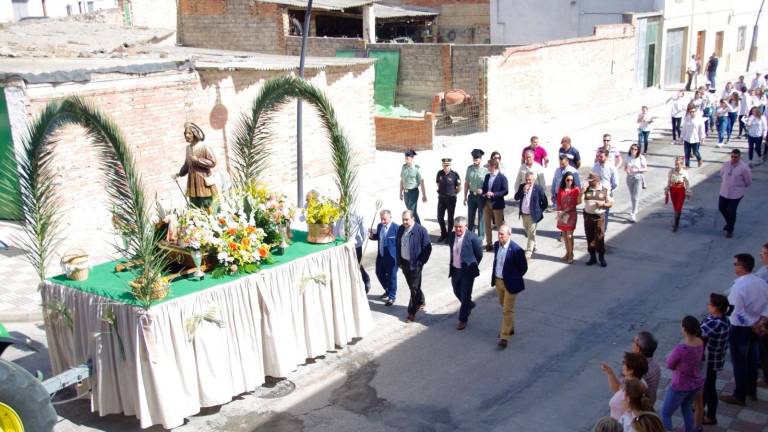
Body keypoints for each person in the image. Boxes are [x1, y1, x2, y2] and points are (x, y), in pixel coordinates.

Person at [720, 253, 768, 406]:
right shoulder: (760, 282)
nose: (734, 266)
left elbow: (737, 312)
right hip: (755, 325)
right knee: (752, 359)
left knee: (740, 361)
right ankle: (751, 390)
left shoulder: (739, 287)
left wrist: (752, 324)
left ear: (741, 267)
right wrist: (761, 320)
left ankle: (739, 395)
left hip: (741, 329)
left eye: (735, 264)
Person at [661, 316, 705, 432]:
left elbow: (669, 364)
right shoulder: (700, 342)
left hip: (680, 385)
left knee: (665, 413)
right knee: (687, 409)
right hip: (695, 384)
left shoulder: (681, 348)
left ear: (684, 329)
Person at [491, 224, 527, 349]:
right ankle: (510, 327)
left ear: (509, 235)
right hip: (498, 281)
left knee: (507, 309)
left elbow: (523, 268)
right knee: (503, 306)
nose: (500, 236)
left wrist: (513, 277)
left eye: (502, 234)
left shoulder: (516, 250)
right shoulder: (496, 245)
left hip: (510, 284)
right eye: (499, 233)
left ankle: (504, 336)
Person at [699, 293, 731, 426]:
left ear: (716, 308)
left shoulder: (715, 323)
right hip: (715, 359)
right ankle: (701, 407)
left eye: (710, 304)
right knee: (706, 385)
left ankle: (711, 416)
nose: (708, 306)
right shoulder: (723, 319)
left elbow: (697, 333)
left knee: (709, 388)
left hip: (711, 360)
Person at [396, 210, 432, 322]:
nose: (405, 222)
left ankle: (411, 312)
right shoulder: (401, 229)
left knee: (414, 289)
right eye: (403, 219)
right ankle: (421, 301)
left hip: (415, 264)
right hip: (404, 263)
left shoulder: (421, 230)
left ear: (413, 218)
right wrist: (399, 262)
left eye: (407, 219)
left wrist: (421, 262)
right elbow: (398, 244)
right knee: (413, 286)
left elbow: (428, 248)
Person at [448, 216, 483, 330]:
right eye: (456, 227)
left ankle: (463, 319)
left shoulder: (473, 238)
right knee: (456, 290)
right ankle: (469, 304)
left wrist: (472, 264)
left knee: (465, 294)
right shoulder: (452, 236)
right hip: (456, 269)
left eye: (460, 227)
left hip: (467, 271)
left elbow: (479, 254)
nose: (458, 229)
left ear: (466, 226)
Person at [174, 122, 218, 210]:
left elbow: (213, 162)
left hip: (203, 180)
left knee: (207, 204)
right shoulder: (188, 148)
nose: (186, 135)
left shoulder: (204, 146)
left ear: (195, 134)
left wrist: (198, 160)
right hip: (192, 182)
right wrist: (179, 173)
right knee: (194, 206)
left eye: (189, 133)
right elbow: (187, 164)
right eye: (185, 133)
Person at [600, 352, 648, 420]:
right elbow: (617, 389)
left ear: (631, 370)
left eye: (624, 363)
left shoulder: (630, 392)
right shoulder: (638, 383)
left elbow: (630, 415)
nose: (622, 364)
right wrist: (610, 373)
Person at [333, 210, 370, 293]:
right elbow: (337, 226)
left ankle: (365, 280)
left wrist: (363, 238)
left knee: (356, 264)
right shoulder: (341, 210)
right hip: (342, 243)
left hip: (355, 244)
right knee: (345, 264)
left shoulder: (357, 212)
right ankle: (351, 285)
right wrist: (335, 239)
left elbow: (363, 228)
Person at [513, 172, 548, 259]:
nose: (528, 181)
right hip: (524, 214)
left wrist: (539, 211)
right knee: (528, 232)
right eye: (527, 179)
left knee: (531, 233)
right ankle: (534, 244)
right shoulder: (522, 186)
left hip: (533, 215)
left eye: (530, 180)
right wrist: (523, 191)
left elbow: (545, 202)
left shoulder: (538, 188)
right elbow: (516, 197)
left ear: (534, 180)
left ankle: (529, 251)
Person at [368, 209, 399, 306]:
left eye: (384, 219)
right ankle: (388, 290)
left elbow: (401, 244)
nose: (382, 221)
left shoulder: (397, 228)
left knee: (392, 277)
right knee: (379, 272)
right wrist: (372, 236)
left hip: (392, 258)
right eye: (381, 219)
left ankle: (392, 297)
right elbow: (378, 237)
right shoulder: (379, 226)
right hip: (381, 256)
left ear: (390, 217)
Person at [718, 149, 752, 238]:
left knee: (731, 210)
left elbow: (748, 181)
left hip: (736, 194)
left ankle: (730, 230)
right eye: (732, 156)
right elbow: (721, 174)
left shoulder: (744, 168)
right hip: (724, 191)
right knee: (722, 208)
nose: (733, 158)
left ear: (739, 157)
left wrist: (739, 186)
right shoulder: (726, 165)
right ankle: (729, 223)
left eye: (735, 157)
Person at [583, 172, 612, 267]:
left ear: (597, 180)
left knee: (599, 237)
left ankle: (601, 257)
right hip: (588, 216)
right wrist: (581, 192)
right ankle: (592, 257)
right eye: (589, 181)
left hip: (599, 217)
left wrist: (603, 204)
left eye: (591, 181)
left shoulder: (604, 190)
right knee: (589, 237)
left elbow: (610, 204)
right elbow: (578, 201)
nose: (589, 183)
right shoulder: (587, 189)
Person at [482, 158, 509, 252]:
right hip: (487, 203)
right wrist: (483, 191)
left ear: (494, 166)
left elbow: (505, 191)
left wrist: (494, 194)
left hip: (497, 203)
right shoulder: (487, 176)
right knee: (487, 224)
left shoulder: (502, 177)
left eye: (489, 166)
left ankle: (502, 243)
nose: (487, 168)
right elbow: (484, 188)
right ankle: (489, 244)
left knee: (499, 225)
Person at [632, 331, 662, 406]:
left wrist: (610, 374)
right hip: (651, 401)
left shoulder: (638, 370)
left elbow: (623, 391)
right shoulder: (655, 365)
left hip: (640, 407)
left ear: (638, 348)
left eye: (633, 341)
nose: (632, 344)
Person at [557, 172, 581, 264]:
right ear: (564, 180)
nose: (570, 182)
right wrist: (559, 210)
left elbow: (576, 202)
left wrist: (565, 210)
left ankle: (571, 254)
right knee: (564, 235)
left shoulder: (575, 189)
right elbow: (559, 201)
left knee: (569, 236)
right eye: (568, 180)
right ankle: (567, 253)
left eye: (571, 180)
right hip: (563, 215)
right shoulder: (561, 189)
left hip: (571, 214)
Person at [436, 158, 461, 243]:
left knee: (450, 218)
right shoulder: (439, 173)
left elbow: (459, 187)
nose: (445, 167)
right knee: (440, 217)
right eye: (444, 165)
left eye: (447, 165)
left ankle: (449, 236)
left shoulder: (454, 174)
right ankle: (443, 234)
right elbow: (438, 184)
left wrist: (453, 193)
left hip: (451, 199)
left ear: (450, 165)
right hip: (441, 198)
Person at [464, 149, 488, 239]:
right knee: (470, 216)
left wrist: (483, 190)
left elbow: (487, 184)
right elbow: (466, 183)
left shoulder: (485, 170)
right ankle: (470, 234)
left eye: (477, 159)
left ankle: (481, 236)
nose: (475, 161)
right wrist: (464, 197)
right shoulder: (469, 169)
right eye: (474, 159)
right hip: (471, 196)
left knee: (481, 217)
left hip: (481, 197)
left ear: (481, 159)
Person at [592, 149, 618, 231]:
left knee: (605, 213)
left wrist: (609, 190)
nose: (599, 158)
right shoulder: (596, 165)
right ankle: (596, 229)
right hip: (596, 192)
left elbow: (615, 183)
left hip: (606, 193)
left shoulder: (611, 167)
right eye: (598, 156)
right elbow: (592, 177)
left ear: (606, 157)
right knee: (595, 212)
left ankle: (603, 230)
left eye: (601, 156)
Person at [399, 149, 427, 224]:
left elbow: (421, 182)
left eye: (407, 158)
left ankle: (419, 229)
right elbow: (402, 180)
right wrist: (400, 193)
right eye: (405, 158)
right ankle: (413, 227)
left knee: (412, 212)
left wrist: (424, 195)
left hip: (413, 192)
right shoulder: (403, 167)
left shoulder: (417, 169)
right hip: (406, 192)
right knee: (409, 211)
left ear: (412, 158)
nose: (406, 160)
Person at [665, 156, 691, 233]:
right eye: (675, 164)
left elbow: (687, 183)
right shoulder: (671, 171)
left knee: (679, 207)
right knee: (675, 207)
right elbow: (669, 181)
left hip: (681, 191)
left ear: (682, 165)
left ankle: (676, 224)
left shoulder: (685, 172)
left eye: (678, 164)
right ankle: (677, 219)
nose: (676, 166)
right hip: (673, 190)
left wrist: (688, 191)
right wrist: (667, 189)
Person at [625, 144, 647, 223]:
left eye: (635, 149)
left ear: (638, 150)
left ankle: (633, 213)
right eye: (632, 149)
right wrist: (627, 170)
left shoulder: (641, 158)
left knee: (635, 196)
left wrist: (637, 170)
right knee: (632, 195)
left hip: (638, 178)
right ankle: (635, 208)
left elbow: (645, 168)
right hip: (629, 178)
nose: (633, 150)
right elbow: (625, 167)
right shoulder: (628, 157)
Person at [681, 104, 706, 168]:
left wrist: (702, 138)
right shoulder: (687, 118)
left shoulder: (699, 119)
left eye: (693, 111)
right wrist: (682, 136)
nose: (692, 113)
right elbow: (684, 128)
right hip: (687, 138)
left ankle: (699, 159)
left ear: (696, 111)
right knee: (687, 153)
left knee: (695, 152)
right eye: (691, 112)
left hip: (695, 139)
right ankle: (687, 165)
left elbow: (701, 129)